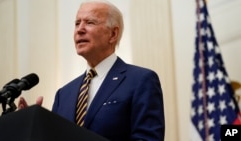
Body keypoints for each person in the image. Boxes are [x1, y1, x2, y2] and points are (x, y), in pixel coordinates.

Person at [18, 0, 165, 140]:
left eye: (90, 22)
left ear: (113, 34)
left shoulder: (141, 80)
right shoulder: (63, 95)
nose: (80, 30)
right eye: (77, 23)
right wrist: (34, 126)